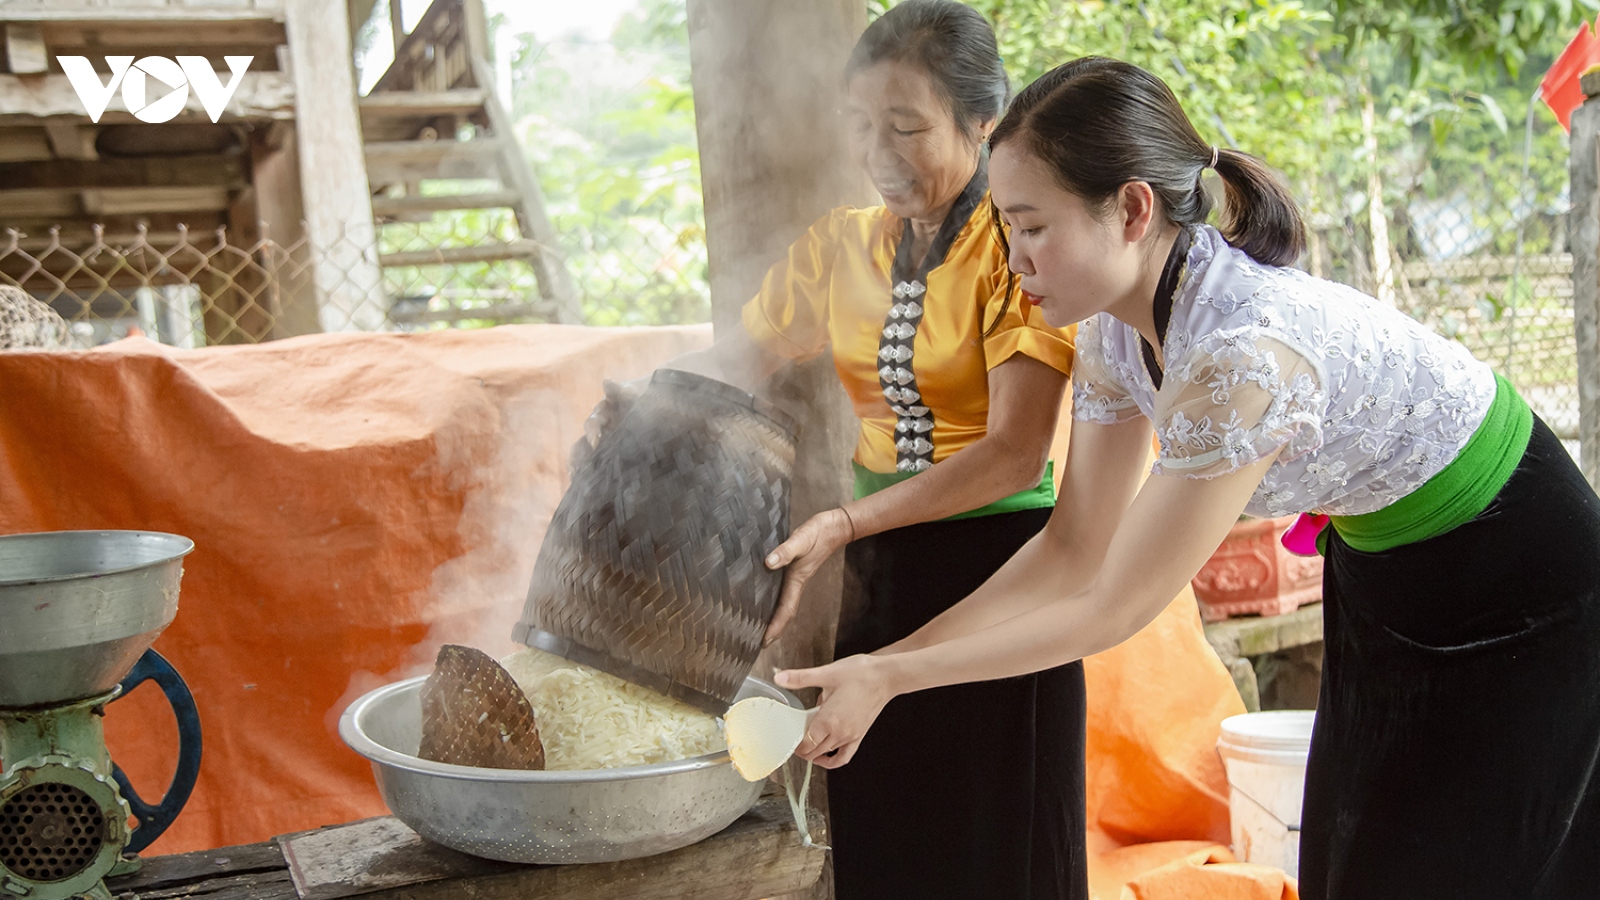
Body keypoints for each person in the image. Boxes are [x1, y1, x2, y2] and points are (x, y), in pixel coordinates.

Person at [778, 56, 1600, 900]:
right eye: (1005, 228)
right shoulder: (1110, 332)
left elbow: (1110, 608)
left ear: (1132, 209)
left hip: (1519, 562)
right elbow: (1072, 546)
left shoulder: (1242, 356)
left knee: (1479, 865)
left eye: (1032, 228)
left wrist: (892, 677)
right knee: (1353, 861)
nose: (1014, 259)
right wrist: (885, 663)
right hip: (1384, 563)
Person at [576, 4, 1086, 897]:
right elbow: (743, 355)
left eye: (905, 127)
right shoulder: (841, 247)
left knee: (997, 837)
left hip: (1004, 569)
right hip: (883, 568)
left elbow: (1014, 454)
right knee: (886, 818)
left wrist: (846, 519)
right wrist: (641, 405)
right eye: (858, 126)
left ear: (981, 124)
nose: (877, 151)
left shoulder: (1019, 251)